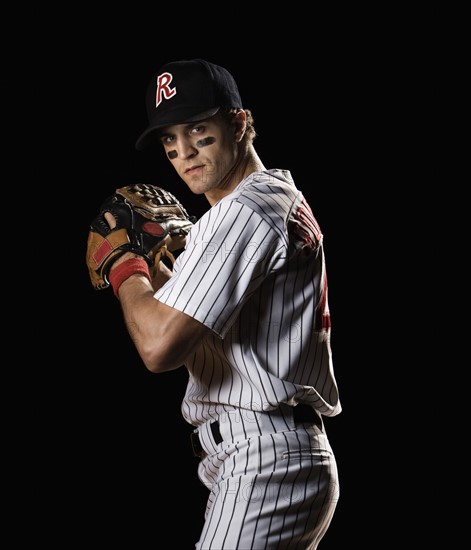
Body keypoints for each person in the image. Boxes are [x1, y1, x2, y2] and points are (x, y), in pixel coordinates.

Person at [102, 58, 341, 549]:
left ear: (240, 123)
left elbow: (159, 345)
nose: (184, 152)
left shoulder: (245, 209)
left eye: (199, 132)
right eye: (170, 142)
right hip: (270, 453)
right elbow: (193, 321)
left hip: (266, 456)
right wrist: (158, 269)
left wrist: (124, 265)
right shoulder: (268, 201)